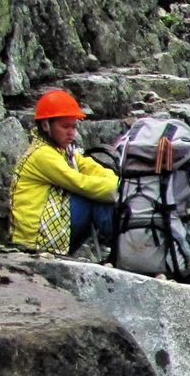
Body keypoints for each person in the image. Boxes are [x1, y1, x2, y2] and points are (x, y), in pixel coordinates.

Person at [9, 89, 118, 255]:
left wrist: (113, 183)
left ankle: (122, 249)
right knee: (96, 198)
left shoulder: (63, 151)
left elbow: (94, 168)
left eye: (74, 127)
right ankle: (122, 249)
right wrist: (118, 188)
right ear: (45, 125)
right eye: (65, 126)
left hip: (48, 230)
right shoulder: (41, 154)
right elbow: (81, 184)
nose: (71, 133)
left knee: (101, 191)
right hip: (35, 240)